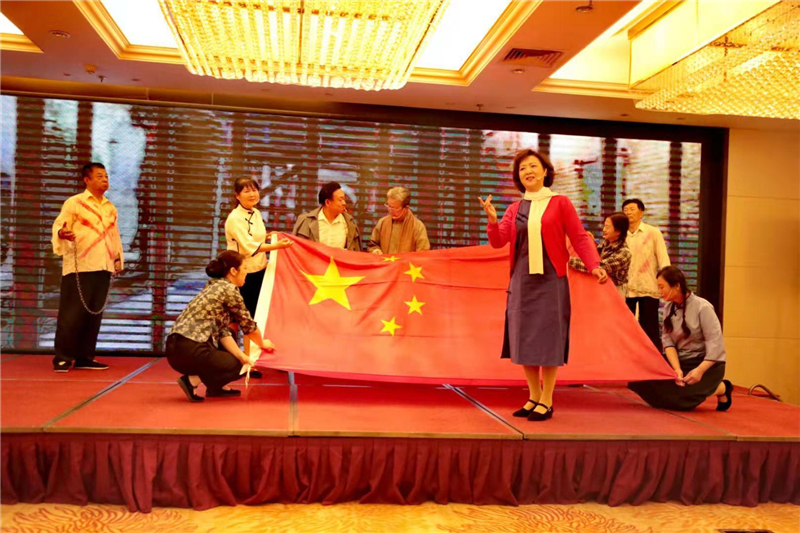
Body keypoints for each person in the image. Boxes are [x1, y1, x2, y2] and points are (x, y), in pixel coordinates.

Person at [479, 149, 607, 422]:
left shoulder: (560, 203)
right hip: (522, 281)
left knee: (548, 340)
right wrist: (492, 220)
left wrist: (594, 265)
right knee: (524, 339)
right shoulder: (514, 209)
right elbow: (498, 241)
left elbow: (579, 237)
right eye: (523, 168)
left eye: (533, 166)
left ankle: (547, 399)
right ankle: (533, 396)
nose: (528, 171)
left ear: (545, 171)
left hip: (551, 280)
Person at [166, 251, 276, 402]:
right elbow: (248, 325)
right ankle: (192, 381)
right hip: (191, 349)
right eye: (245, 268)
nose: (247, 272)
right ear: (233, 271)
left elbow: (222, 332)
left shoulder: (214, 285)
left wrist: (242, 356)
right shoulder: (229, 290)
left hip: (175, 348)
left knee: (234, 344)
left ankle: (216, 387)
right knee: (237, 365)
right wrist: (262, 344)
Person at [51, 163, 124, 373]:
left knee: (94, 315)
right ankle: (63, 358)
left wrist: (117, 260)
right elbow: (59, 226)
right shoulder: (74, 203)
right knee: (72, 314)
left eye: (106, 176)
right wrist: (62, 234)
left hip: (103, 264)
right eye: (99, 176)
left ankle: (85, 357)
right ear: (87, 180)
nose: (105, 179)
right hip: (80, 266)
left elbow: (114, 235)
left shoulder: (110, 207)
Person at [628, 266, 732, 411]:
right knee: (642, 374)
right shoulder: (668, 308)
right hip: (680, 360)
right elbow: (668, 341)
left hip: (705, 364)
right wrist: (676, 370)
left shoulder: (703, 307)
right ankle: (687, 390)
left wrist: (699, 371)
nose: (659, 291)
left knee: (680, 401)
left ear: (676, 286)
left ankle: (721, 387)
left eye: (662, 287)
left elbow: (715, 345)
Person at [225, 177, 293, 370]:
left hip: (259, 271)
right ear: (237, 195)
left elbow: (256, 238)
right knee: (244, 319)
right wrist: (277, 246)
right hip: (241, 275)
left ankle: (250, 358)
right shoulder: (234, 218)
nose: (252, 194)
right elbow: (248, 247)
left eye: (254, 190)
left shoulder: (255, 213)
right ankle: (245, 361)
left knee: (256, 317)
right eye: (246, 191)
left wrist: (270, 237)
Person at [622, 198, 670, 352]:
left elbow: (663, 259)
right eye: (625, 210)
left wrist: (666, 284)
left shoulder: (653, 232)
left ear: (641, 212)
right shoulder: (620, 234)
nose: (628, 212)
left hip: (648, 287)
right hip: (625, 290)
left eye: (632, 209)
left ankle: (655, 362)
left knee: (650, 330)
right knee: (625, 330)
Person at [569, 212, 631, 298]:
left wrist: (568, 260)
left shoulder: (624, 253)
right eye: (604, 226)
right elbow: (593, 256)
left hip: (614, 293)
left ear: (618, 231)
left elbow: (597, 267)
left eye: (607, 227)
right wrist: (590, 242)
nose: (604, 230)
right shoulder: (604, 244)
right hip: (600, 290)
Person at [293, 181, 363, 251]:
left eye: (344, 199)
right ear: (327, 202)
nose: (344, 203)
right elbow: (297, 249)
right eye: (340, 200)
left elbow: (356, 254)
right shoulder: (306, 221)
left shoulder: (350, 224)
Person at [367, 186, 430, 255]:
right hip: (385, 261)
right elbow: (372, 245)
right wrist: (376, 251)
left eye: (394, 208)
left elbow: (423, 254)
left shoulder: (418, 227)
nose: (390, 210)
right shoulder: (382, 222)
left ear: (406, 208)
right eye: (389, 206)